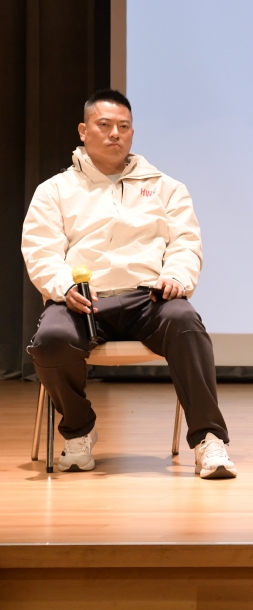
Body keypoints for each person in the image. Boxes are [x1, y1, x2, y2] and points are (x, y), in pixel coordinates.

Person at [21, 90, 236, 478]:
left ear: (133, 133)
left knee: (186, 323)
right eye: (104, 125)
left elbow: (186, 243)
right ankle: (79, 429)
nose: (115, 134)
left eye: (123, 126)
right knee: (50, 340)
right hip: (83, 300)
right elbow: (40, 250)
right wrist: (64, 285)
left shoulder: (166, 187)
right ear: (83, 130)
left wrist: (176, 277)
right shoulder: (55, 190)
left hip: (147, 299)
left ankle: (208, 439)